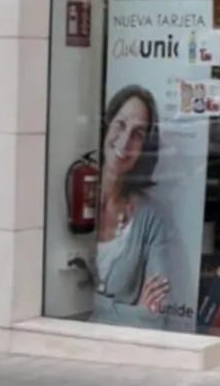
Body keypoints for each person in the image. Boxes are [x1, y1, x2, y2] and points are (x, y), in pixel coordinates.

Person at [92, 84, 170, 328]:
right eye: (120, 124)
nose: (125, 141)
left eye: (138, 134)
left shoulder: (151, 218)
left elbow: (155, 316)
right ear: (106, 126)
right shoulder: (75, 193)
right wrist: (130, 312)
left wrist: (94, 307)